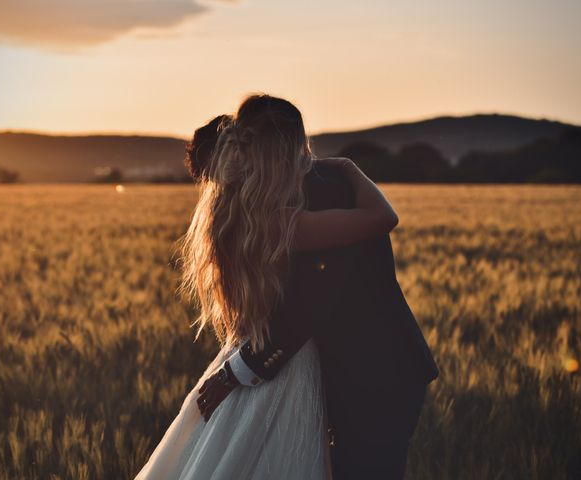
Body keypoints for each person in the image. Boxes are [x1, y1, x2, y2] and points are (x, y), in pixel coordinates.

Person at [132, 94, 402, 479]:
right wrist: (347, 164)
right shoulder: (283, 219)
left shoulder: (233, 217)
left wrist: (234, 371)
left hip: (254, 352)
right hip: (283, 360)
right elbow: (381, 217)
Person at [190, 109, 440, 478]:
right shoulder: (300, 190)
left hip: (377, 373)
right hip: (357, 371)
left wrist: (238, 371)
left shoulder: (317, 192)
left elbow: (309, 301)